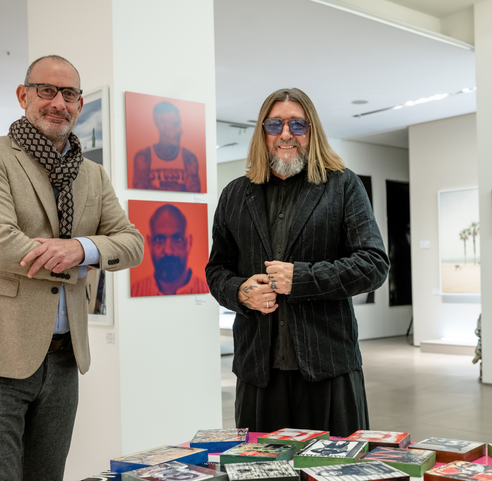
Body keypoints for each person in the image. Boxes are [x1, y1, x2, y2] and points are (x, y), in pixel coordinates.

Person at [0, 55, 144, 481]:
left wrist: (81, 247)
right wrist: (82, 258)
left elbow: (131, 242)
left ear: (79, 105)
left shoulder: (92, 174)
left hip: (63, 359)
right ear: (23, 95)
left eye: (69, 94)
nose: (58, 103)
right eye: (46, 91)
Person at [206, 88, 389, 437]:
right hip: (258, 371)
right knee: (260, 470)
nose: (286, 134)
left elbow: (373, 264)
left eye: (297, 125)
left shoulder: (343, 185)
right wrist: (241, 292)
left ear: (312, 131)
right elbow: (216, 270)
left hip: (328, 367)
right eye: (275, 124)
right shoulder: (234, 194)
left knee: (335, 470)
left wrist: (302, 279)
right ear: (263, 132)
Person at [131, 204, 209, 296]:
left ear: (189, 242)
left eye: (177, 239)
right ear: (149, 242)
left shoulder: (208, 291)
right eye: (159, 239)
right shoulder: (134, 292)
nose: (168, 251)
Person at [132, 101, 201, 192]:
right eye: (176, 124)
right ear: (161, 125)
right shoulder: (144, 157)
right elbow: (138, 193)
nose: (180, 130)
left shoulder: (189, 158)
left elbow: (194, 194)